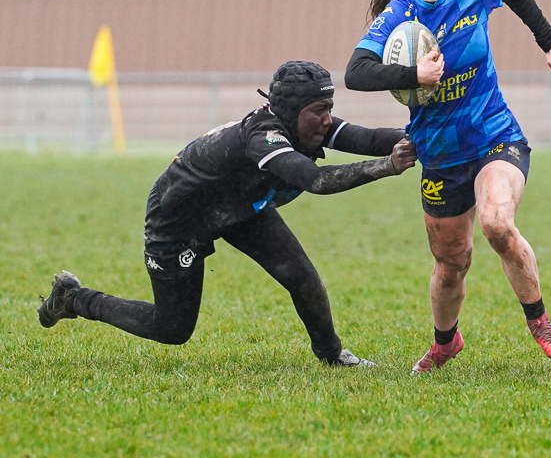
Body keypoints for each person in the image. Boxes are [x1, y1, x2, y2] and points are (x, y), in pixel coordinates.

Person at [37, 61, 417, 367]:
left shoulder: (305, 125)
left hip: (238, 208)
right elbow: (315, 180)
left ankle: (332, 355)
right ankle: (74, 299)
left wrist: (424, 135)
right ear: (289, 111)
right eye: (319, 110)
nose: (327, 119)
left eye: (329, 108)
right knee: (172, 329)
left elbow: (367, 138)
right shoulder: (264, 134)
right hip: (179, 217)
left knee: (302, 277)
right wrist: (387, 166)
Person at [345, 0, 551, 373]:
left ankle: (540, 322)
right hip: (440, 156)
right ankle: (445, 342)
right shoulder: (396, 18)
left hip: (495, 137)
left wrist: (550, 42)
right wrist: (412, 76)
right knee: (450, 263)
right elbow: (356, 72)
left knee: (498, 223)